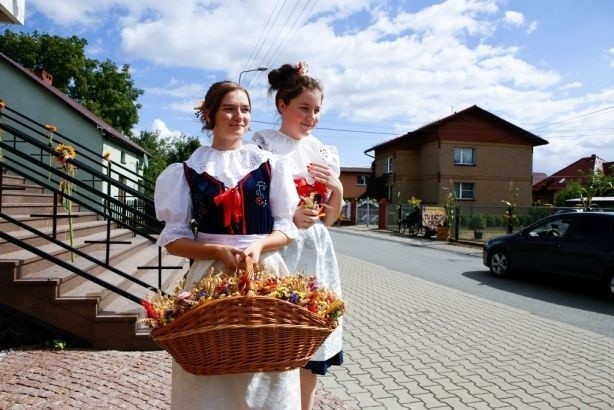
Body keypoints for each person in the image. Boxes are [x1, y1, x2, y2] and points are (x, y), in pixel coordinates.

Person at [154, 80, 301, 409]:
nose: (239, 116)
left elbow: (286, 228)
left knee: (267, 363)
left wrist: (260, 246)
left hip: (264, 272)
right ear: (210, 114)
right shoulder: (188, 170)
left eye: (245, 109)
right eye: (230, 108)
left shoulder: (270, 165)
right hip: (209, 278)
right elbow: (174, 241)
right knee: (209, 363)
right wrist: (216, 251)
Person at [252, 62, 344, 410]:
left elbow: (329, 220)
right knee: (277, 338)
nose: (312, 116)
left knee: (311, 342)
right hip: (281, 251)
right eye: (304, 107)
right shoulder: (263, 145)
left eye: (317, 109)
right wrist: (290, 213)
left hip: (317, 254)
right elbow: (256, 204)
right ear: (282, 106)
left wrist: (336, 190)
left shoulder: (322, 151)